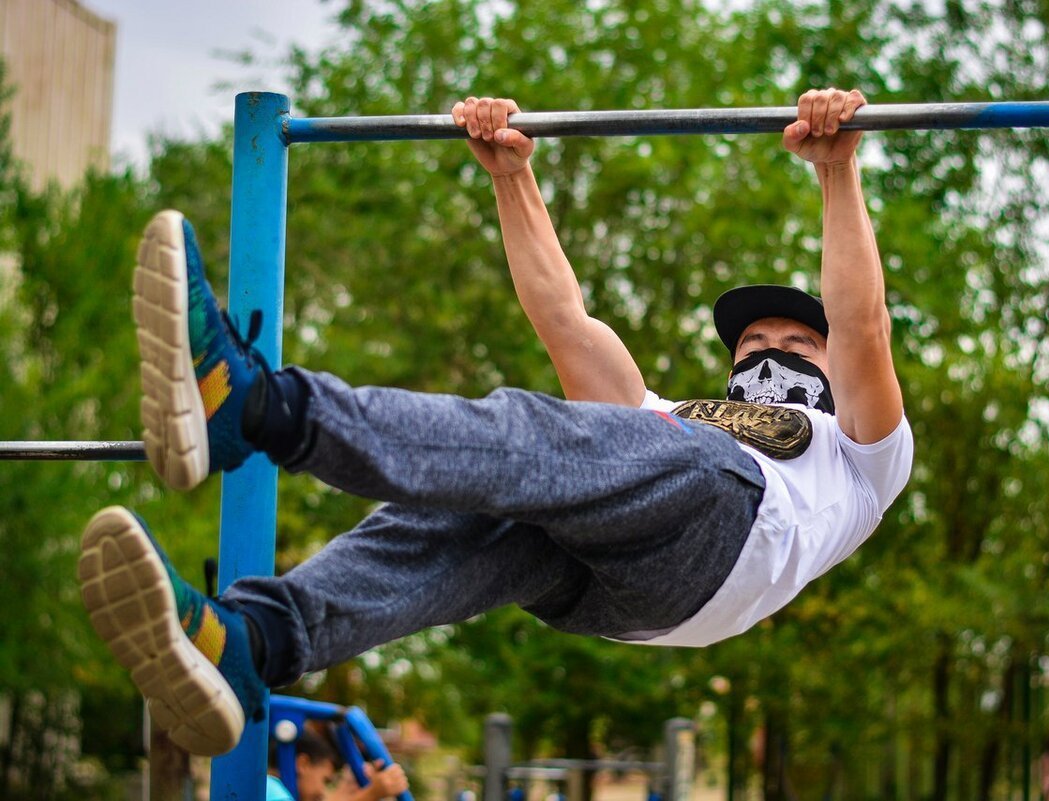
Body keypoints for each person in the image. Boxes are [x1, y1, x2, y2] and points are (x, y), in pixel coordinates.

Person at [76, 87, 912, 757]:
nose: (770, 349)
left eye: (797, 342)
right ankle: (255, 641)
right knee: (480, 509)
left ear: (832, 364)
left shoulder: (861, 455)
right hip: (622, 593)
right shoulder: (664, 417)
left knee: (544, 435)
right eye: (754, 343)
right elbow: (566, 323)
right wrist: (512, 176)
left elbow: (863, 322)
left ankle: (260, 406)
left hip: (733, 524)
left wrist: (837, 173)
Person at [266, 729, 409, 801]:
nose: (322, 792)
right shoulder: (273, 791)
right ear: (303, 764)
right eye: (325, 780)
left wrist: (348, 787)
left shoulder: (266, 787)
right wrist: (370, 794)